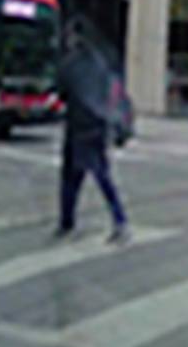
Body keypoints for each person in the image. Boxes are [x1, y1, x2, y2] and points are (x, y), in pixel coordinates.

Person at [55, 15, 131, 244]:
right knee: (102, 177)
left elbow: (62, 91)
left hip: (77, 126)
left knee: (71, 178)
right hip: (97, 126)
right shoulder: (100, 63)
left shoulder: (71, 63)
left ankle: (68, 222)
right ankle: (119, 221)